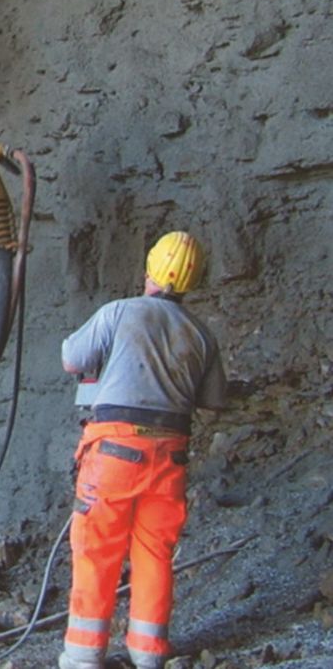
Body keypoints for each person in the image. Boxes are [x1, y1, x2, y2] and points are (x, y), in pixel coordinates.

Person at [58, 230, 227, 669]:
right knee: (154, 551)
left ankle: (82, 657)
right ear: (194, 280)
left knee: (98, 548)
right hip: (170, 456)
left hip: (115, 450)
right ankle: (148, 654)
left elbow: (71, 359)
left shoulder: (119, 313)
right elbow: (213, 401)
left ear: (149, 268)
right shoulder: (202, 334)